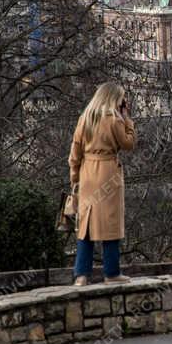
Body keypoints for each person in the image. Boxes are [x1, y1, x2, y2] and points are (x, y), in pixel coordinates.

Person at [68, 82, 136, 286]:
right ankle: (112, 273)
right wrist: (128, 120)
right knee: (110, 223)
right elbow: (128, 144)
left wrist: (75, 177)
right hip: (108, 172)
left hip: (87, 172)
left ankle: (81, 275)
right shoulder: (113, 119)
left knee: (85, 225)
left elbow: (75, 151)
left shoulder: (85, 118)